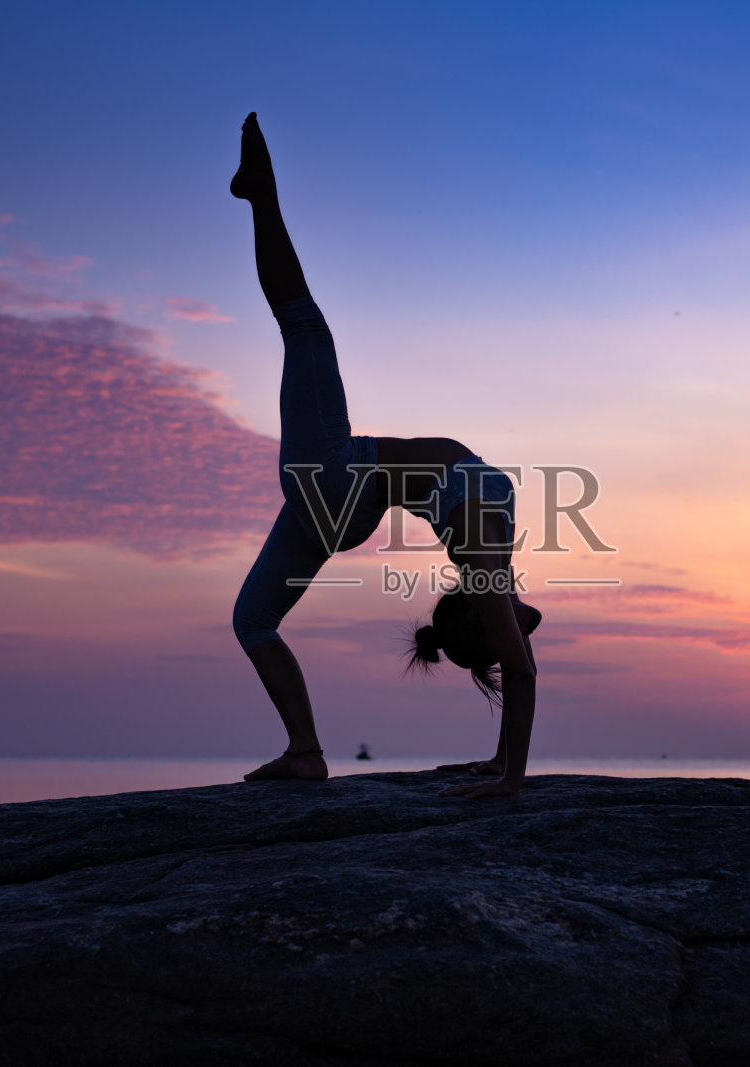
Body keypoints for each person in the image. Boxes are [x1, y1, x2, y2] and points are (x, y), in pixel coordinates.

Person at [228, 112, 540, 798]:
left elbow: (519, 671)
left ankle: (263, 195)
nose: (528, 628)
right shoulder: (496, 572)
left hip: (338, 478)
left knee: (304, 324)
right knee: (251, 621)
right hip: (342, 511)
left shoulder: (487, 568)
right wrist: (500, 760)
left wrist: (511, 780)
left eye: (484, 632)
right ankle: (305, 751)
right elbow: (521, 657)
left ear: (475, 616)